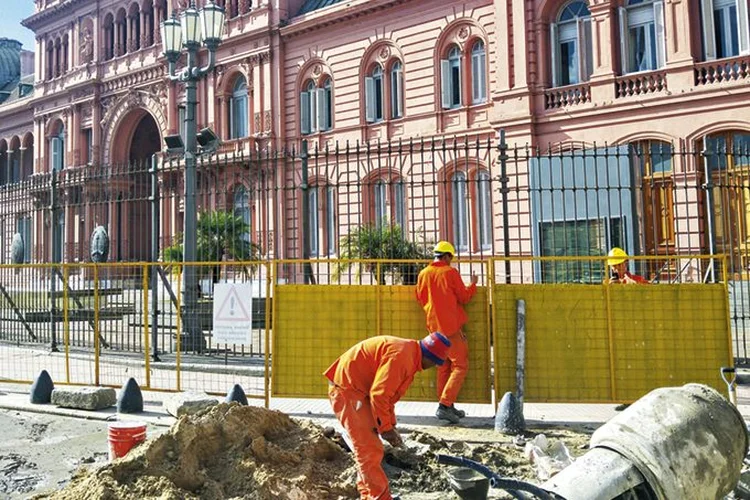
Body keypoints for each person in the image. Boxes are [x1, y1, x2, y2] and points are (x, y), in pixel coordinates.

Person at [324, 332, 451, 500]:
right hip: (348, 391)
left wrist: (391, 425)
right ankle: (379, 497)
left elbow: (388, 397)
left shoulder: (409, 354)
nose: (433, 366)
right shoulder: (402, 358)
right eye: (435, 362)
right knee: (369, 448)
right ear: (430, 356)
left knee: (368, 448)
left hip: (356, 390)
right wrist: (385, 429)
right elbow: (380, 395)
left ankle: (369, 495)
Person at [415, 241, 478, 424]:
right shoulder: (450, 273)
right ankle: (445, 405)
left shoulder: (423, 273)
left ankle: (446, 405)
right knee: (460, 366)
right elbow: (464, 297)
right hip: (450, 328)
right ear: (447, 256)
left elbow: (420, 297)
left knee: (443, 367)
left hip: (433, 330)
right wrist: (473, 284)